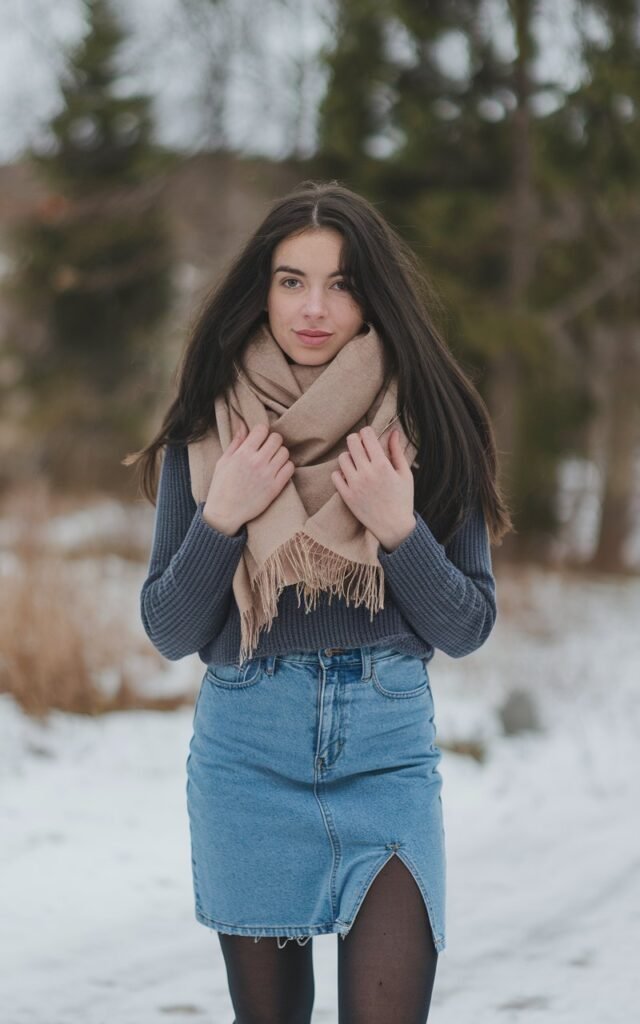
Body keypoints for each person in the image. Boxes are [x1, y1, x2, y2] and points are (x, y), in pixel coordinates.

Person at [128, 179, 512, 1024]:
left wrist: (400, 529)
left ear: (373, 293)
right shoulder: (210, 426)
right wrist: (223, 513)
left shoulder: (432, 421)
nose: (314, 307)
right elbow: (169, 626)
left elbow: (466, 624)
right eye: (292, 280)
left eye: (341, 283)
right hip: (248, 755)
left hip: (387, 757)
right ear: (260, 290)